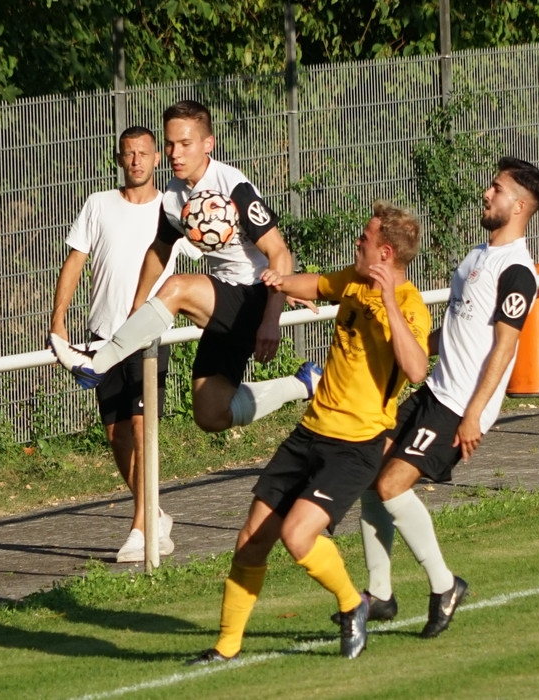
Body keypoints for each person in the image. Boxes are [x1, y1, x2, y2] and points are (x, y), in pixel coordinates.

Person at [186, 200, 432, 665]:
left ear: (384, 253)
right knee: (252, 539)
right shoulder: (354, 281)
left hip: (354, 447)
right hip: (310, 432)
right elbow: (317, 284)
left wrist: (388, 305)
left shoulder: (409, 305)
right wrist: (278, 282)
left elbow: (417, 369)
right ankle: (226, 647)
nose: (357, 242)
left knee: (298, 536)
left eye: (364, 238)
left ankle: (353, 605)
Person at [351, 156, 539, 638]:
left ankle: (444, 586)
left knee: (391, 485)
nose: (486, 193)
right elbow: (460, 331)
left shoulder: (517, 270)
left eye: (496, 188)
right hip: (434, 390)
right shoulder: (476, 256)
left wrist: (475, 414)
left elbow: (504, 348)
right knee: (369, 473)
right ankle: (380, 594)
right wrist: (416, 347)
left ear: (519, 206)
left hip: (458, 404)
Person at [50, 99, 321, 436]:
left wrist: (271, 318)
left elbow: (280, 253)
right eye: (170, 144)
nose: (175, 154)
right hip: (224, 303)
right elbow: (158, 252)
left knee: (177, 288)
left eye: (185, 144)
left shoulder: (232, 186)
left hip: (252, 298)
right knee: (211, 414)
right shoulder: (174, 195)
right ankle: (304, 383)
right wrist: (136, 310)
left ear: (208, 144)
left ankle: (97, 362)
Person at [49, 125, 195, 562]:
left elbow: (208, 255)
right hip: (102, 337)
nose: (136, 161)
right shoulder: (98, 205)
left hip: (149, 336)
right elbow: (75, 262)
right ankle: (155, 514)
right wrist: (58, 319)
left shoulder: (172, 210)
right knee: (116, 434)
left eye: (143, 153)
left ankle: (139, 527)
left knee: (141, 427)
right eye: (129, 154)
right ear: (119, 159)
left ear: (156, 158)